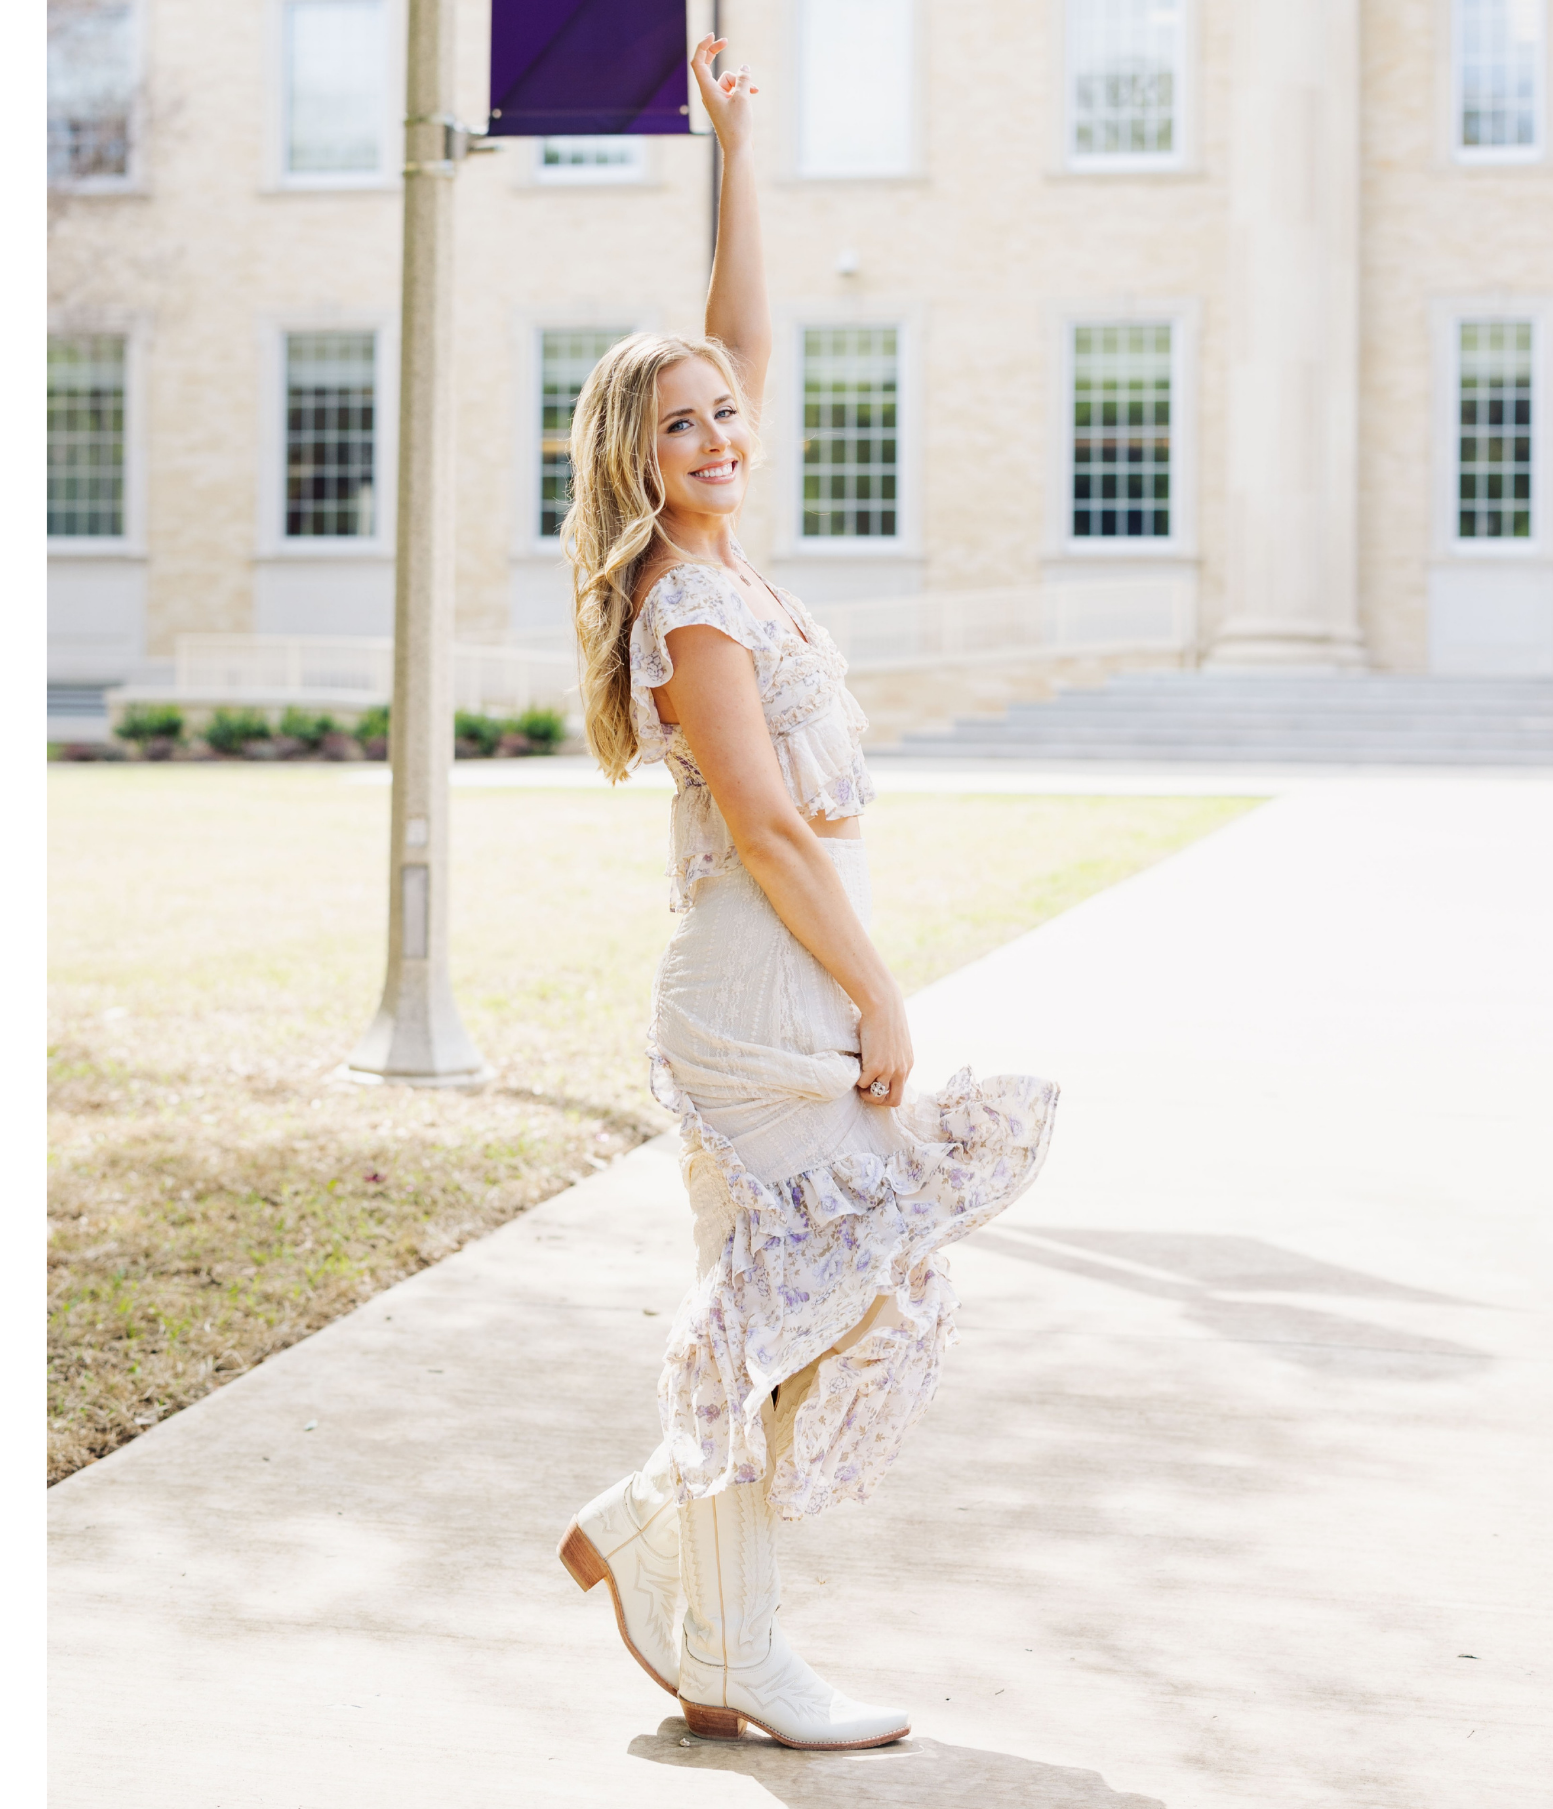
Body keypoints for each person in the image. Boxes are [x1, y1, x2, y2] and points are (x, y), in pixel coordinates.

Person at [554, 36, 1058, 1753]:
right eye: (679, 423)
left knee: (836, 1290)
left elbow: (738, 334)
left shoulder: (730, 564)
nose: (716, 431)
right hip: (754, 1001)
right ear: (636, 457)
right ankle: (726, 1632)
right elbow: (771, 835)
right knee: (829, 1281)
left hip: (786, 987)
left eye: (724, 416)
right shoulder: (688, 613)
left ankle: (681, 1579)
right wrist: (887, 997)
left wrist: (737, 145)